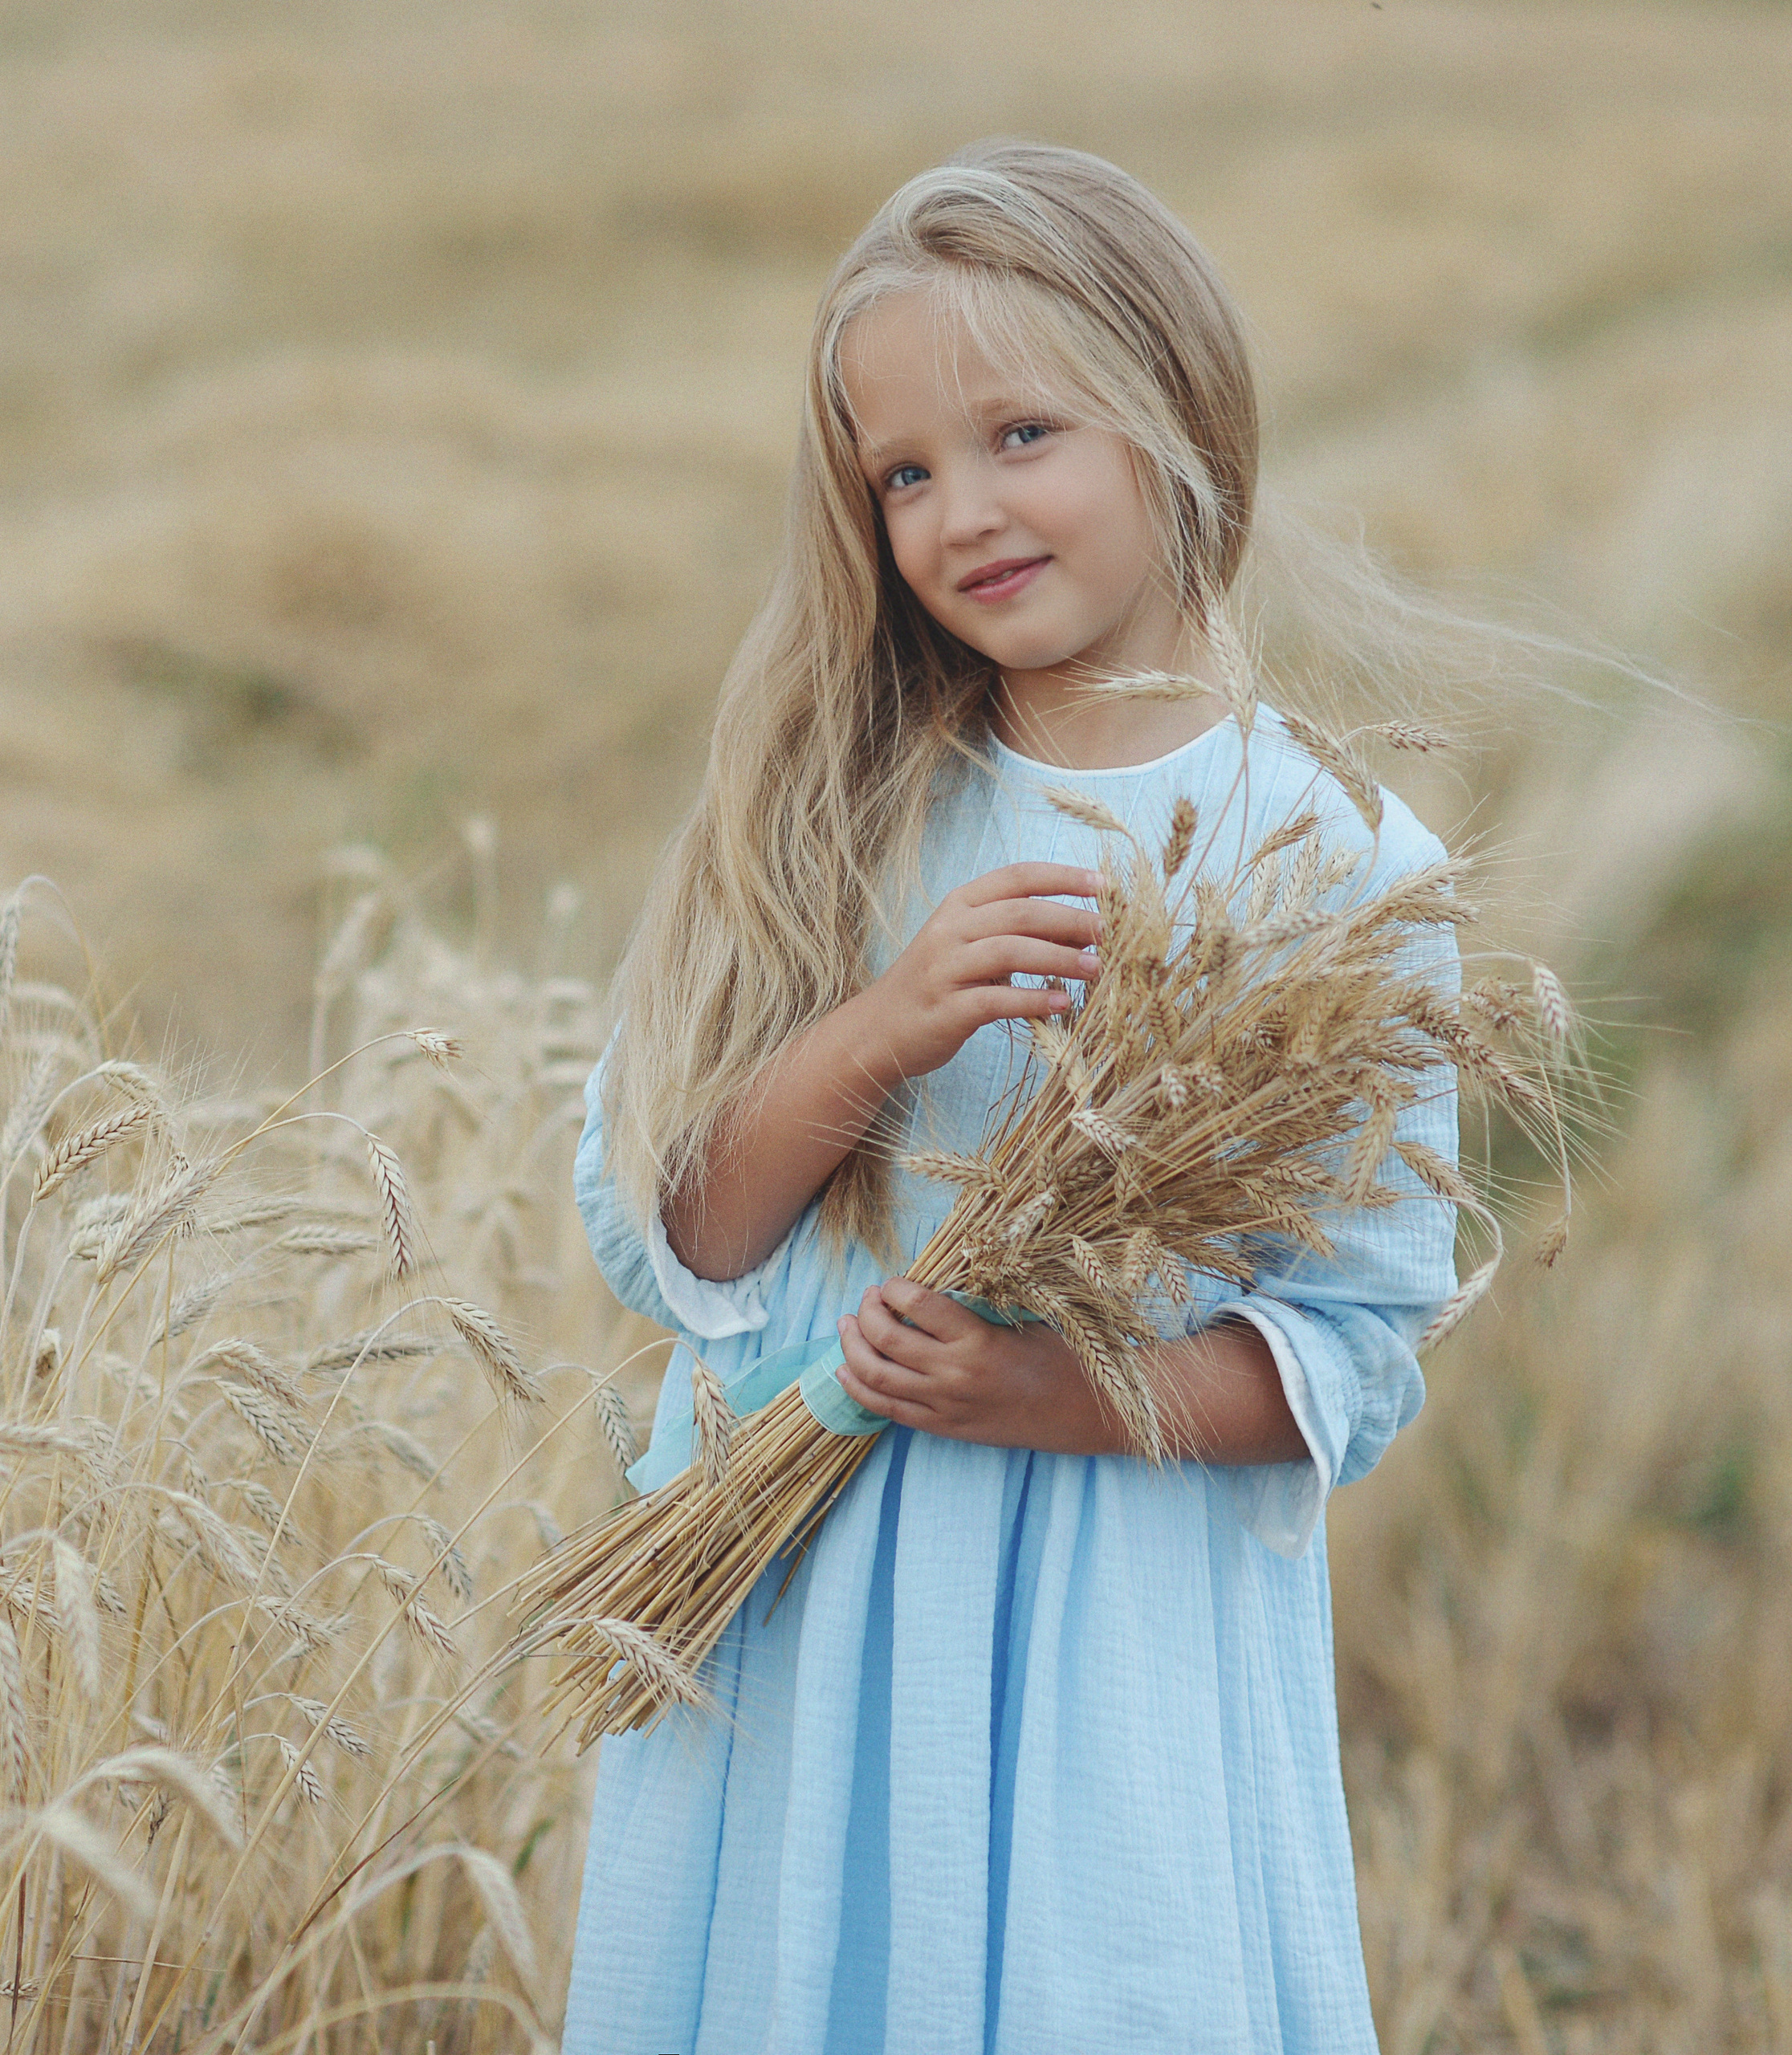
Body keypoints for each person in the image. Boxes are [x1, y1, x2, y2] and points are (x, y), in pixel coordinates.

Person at [563, 140, 1459, 2053]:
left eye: (1020, 431)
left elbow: (1350, 1354)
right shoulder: (828, 804)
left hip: (1099, 1628)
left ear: (1176, 413)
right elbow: (675, 1230)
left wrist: (1035, 1388)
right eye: (898, 471)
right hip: (797, 1616)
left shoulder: (1339, 867)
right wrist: (873, 1029)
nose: (958, 508)